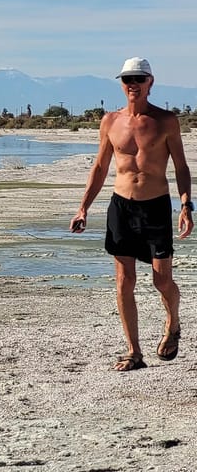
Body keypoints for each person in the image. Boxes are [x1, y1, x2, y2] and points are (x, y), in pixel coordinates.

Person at [70, 56, 193, 372]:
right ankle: (134, 353)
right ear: (121, 84)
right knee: (124, 280)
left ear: (150, 82)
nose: (133, 84)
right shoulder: (110, 121)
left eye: (139, 78)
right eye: (127, 79)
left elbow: (180, 166)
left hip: (155, 208)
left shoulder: (166, 121)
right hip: (122, 206)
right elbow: (100, 167)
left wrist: (185, 206)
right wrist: (83, 207)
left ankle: (173, 322)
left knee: (161, 280)